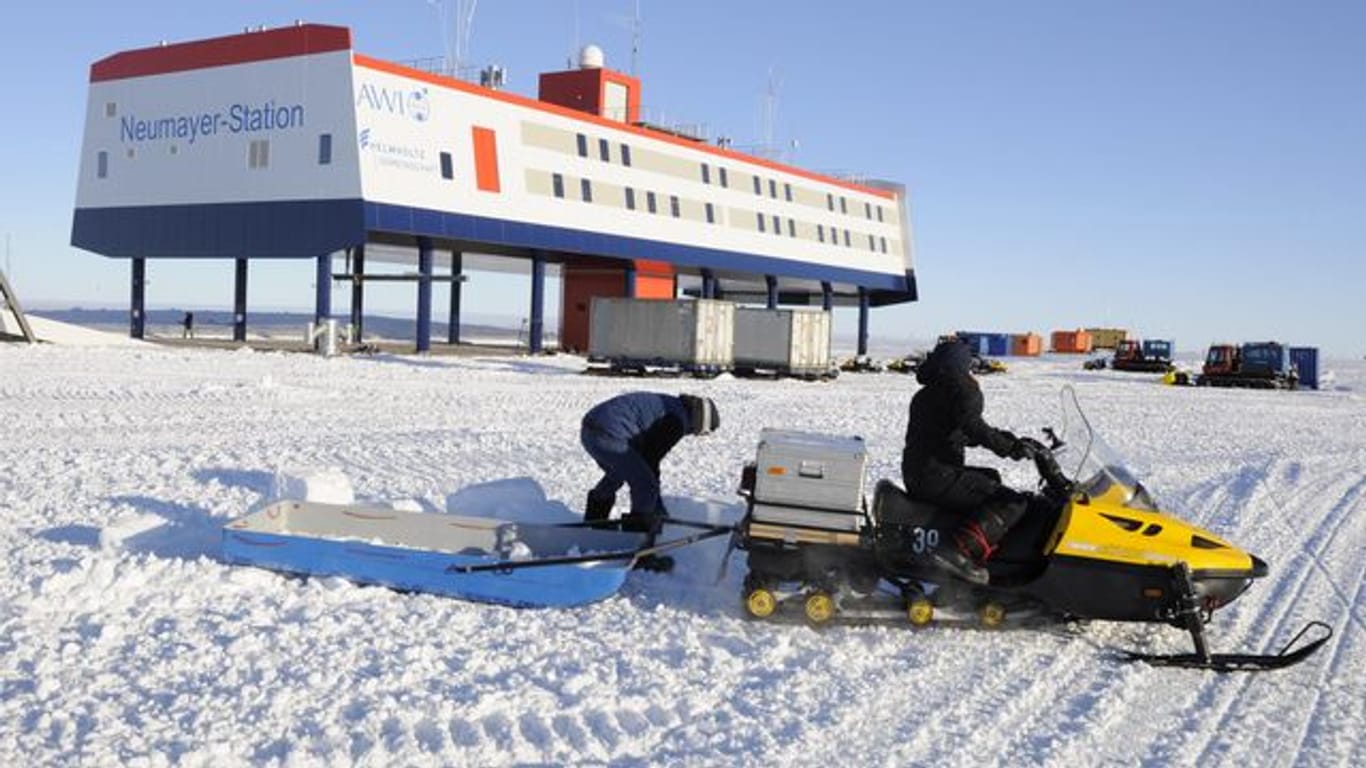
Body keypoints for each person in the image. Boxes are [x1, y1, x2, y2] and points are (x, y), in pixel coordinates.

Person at [901, 339, 1034, 585]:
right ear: (962, 363)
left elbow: (954, 431)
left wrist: (1010, 440)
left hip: (919, 472)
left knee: (991, 477)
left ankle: (976, 543)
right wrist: (1010, 448)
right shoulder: (961, 387)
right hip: (935, 475)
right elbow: (973, 427)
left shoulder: (928, 392)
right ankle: (957, 553)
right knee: (1011, 501)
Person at [580, 391, 720, 545]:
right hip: (609, 435)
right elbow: (651, 459)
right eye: (700, 433)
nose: (693, 434)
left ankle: (594, 522)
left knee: (619, 473)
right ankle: (638, 545)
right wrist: (656, 506)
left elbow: (647, 453)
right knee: (645, 485)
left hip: (590, 430)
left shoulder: (672, 405)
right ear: (700, 422)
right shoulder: (676, 421)